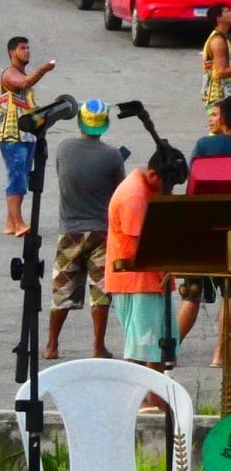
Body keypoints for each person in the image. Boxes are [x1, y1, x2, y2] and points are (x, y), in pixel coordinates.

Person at [48, 98, 123, 361]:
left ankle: (52, 344)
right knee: (101, 290)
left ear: (80, 122)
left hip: (70, 230)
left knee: (62, 289)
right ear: (104, 126)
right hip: (102, 232)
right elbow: (118, 193)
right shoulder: (113, 156)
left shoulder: (64, 148)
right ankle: (98, 345)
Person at [105, 145, 191, 370]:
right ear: (153, 175)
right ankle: (146, 401)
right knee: (146, 347)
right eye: (167, 186)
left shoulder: (150, 187)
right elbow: (142, 245)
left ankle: (155, 398)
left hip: (152, 279)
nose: (168, 191)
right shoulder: (135, 195)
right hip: (138, 280)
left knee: (158, 347)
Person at [0, 37, 56, 237]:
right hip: (12, 134)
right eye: (22, 48)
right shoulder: (10, 74)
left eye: (28, 48)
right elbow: (24, 83)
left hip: (27, 135)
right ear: (12, 52)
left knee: (21, 176)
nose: (27, 51)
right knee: (17, 177)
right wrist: (43, 69)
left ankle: (10, 221)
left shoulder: (21, 74)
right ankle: (18, 221)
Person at [205, 6, 231, 128]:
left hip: (224, 94)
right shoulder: (218, 42)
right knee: (218, 131)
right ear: (219, 18)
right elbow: (221, 72)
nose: (230, 13)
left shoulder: (224, 38)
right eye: (227, 11)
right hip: (219, 95)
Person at [194, 96, 231, 160]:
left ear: (222, 118)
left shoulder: (204, 145)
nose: (210, 120)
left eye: (214, 115)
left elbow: (193, 168)